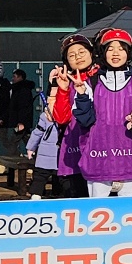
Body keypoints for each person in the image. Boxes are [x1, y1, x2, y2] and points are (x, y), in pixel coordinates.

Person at [70, 28, 132, 198]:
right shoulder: (90, 83)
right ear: (103, 52)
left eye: (121, 48)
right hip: (98, 156)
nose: (116, 53)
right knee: (98, 211)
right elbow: (85, 121)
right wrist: (81, 95)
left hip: (131, 157)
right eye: (110, 48)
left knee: (131, 213)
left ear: (128, 52)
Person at [49, 34, 97, 199]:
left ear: (92, 53)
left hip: (100, 148)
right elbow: (61, 118)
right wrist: (62, 90)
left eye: (81, 52)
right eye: (72, 55)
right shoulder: (66, 82)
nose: (77, 57)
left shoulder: (103, 78)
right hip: (73, 147)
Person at [24, 105, 62, 198]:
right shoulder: (47, 116)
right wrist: (31, 148)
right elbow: (38, 131)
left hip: (48, 152)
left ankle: (36, 196)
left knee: (40, 176)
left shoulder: (46, 115)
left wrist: (31, 147)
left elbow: (37, 132)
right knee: (62, 177)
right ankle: (61, 196)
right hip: (58, 152)